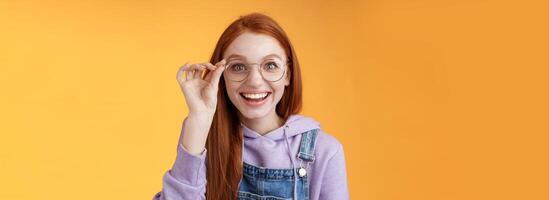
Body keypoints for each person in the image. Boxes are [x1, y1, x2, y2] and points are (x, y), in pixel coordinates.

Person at [153, 12, 349, 200]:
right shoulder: (202, 139)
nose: (255, 81)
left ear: (287, 74)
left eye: (270, 65)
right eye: (238, 67)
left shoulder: (324, 151)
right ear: (220, 75)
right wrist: (198, 118)